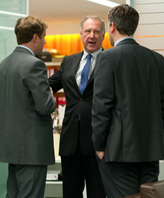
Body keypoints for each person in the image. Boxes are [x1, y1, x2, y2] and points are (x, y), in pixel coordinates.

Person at [92, 4, 164, 198]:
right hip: (151, 149)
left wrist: (99, 146)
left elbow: (102, 106)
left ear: (111, 27)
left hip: (119, 151)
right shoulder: (157, 59)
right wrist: (153, 133)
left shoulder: (106, 58)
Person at [0, 16, 56, 198]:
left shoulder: (2, 66)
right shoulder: (35, 64)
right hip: (32, 150)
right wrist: (50, 94)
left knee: (13, 194)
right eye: (43, 37)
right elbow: (45, 107)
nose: (44, 41)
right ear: (35, 37)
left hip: (11, 148)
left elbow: (0, 108)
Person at [49, 16, 106, 198]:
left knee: (97, 193)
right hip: (70, 143)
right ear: (81, 34)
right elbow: (46, 85)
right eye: (88, 31)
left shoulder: (111, 61)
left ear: (103, 35)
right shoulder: (69, 61)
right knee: (70, 194)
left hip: (99, 143)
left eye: (96, 31)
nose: (92, 35)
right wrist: (8, 89)